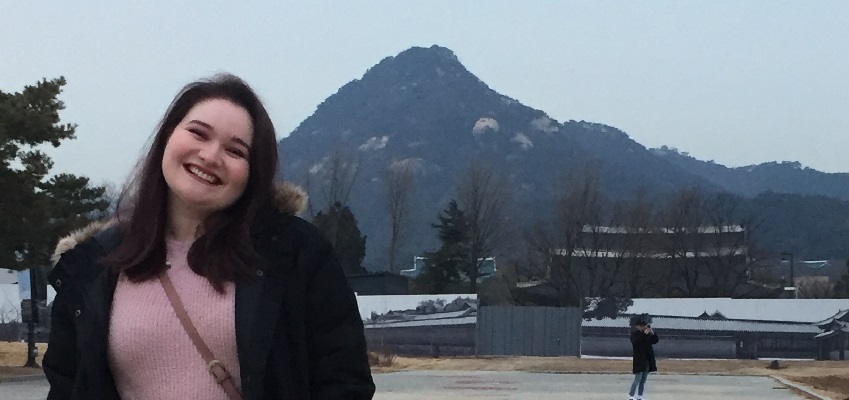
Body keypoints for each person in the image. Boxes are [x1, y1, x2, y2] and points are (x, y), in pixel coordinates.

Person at [43, 74, 376, 400]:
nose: (210, 155)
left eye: (235, 151)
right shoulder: (92, 265)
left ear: (252, 172)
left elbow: (344, 383)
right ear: (167, 137)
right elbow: (67, 386)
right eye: (198, 134)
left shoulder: (296, 255)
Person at [628, 319, 659, 400]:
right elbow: (637, 342)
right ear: (637, 326)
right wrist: (645, 334)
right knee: (637, 378)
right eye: (641, 326)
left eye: (644, 326)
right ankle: (631, 395)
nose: (643, 327)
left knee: (643, 379)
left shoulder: (647, 335)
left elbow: (655, 341)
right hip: (639, 360)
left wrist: (652, 333)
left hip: (647, 359)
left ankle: (640, 395)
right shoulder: (634, 334)